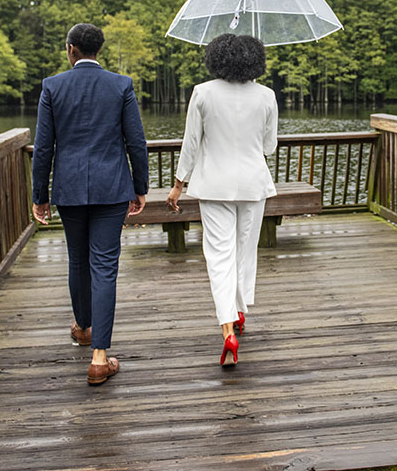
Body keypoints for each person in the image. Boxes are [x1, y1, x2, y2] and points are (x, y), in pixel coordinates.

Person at [31, 23, 148, 386]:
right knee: (104, 266)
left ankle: (83, 327)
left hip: (68, 188)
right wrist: (140, 187)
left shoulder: (53, 86)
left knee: (78, 259)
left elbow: (44, 148)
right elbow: (136, 142)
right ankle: (99, 357)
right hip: (112, 188)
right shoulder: (121, 85)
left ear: (71, 50)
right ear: (99, 50)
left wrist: (40, 195)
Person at [167, 34, 278, 367]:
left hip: (214, 184)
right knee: (245, 251)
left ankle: (228, 327)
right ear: (254, 61)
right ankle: (241, 312)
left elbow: (191, 144)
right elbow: (269, 146)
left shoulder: (203, 92)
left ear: (216, 59)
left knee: (219, 255)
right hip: (253, 185)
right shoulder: (267, 95)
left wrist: (178, 185)